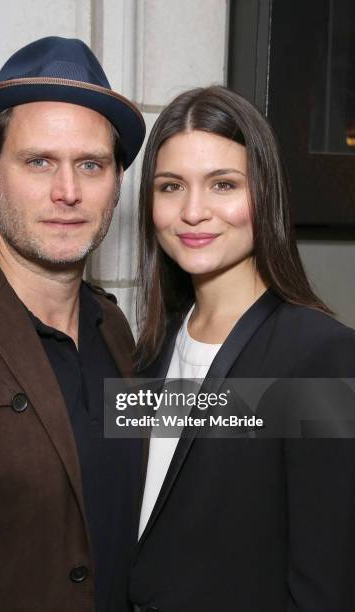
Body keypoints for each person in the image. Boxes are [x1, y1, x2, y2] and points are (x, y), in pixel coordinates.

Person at [0, 37, 145, 611]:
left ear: (117, 185)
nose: (67, 192)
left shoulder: (118, 331)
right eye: (38, 161)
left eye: (90, 165)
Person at [130, 86, 355, 611]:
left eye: (223, 184)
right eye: (170, 186)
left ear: (265, 194)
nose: (192, 211)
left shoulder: (320, 359)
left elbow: (328, 583)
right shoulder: (147, 350)